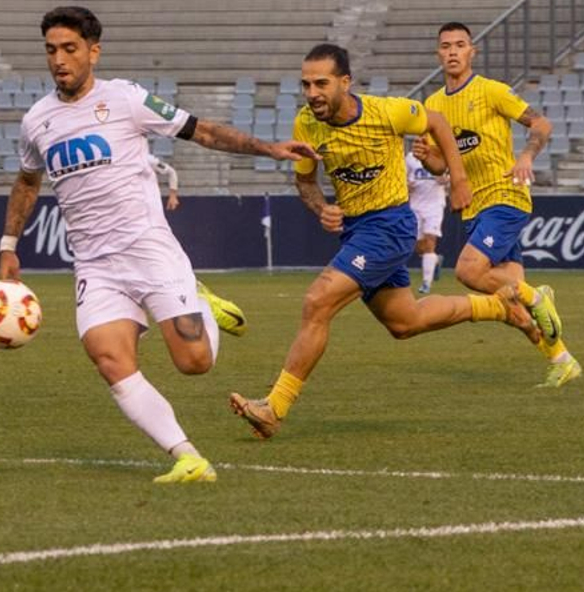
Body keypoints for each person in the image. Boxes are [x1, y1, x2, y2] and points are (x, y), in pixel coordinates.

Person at [0, 6, 302, 484]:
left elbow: (201, 130)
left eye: (70, 49)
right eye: (51, 50)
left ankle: (200, 299)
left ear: (94, 52)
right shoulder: (37, 120)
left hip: (148, 250)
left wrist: (268, 149)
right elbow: (27, 181)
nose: (59, 59)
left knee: (194, 363)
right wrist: (8, 243)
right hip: (95, 265)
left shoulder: (126, 98)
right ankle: (187, 457)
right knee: (109, 359)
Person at [227, 44, 543, 440]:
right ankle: (497, 307)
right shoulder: (306, 123)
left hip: (389, 226)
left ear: (345, 82)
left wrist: (459, 179)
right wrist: (321, 207)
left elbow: (437, 121)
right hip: (357, 230)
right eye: (306, 85)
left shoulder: (387, 112)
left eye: (321, 83)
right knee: (404, 322)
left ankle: (274, 407)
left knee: (317, 302)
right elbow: (305, 181)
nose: (312, 93)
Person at [418, 21, 580, 388]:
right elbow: (443, 166)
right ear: (438, 54)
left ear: (472, 52)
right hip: (472, 206)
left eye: (460, 45)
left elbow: (541, 124)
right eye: (446, 46)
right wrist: (428, 158)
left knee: (468, 271)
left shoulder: (491, 91)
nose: (453, 51)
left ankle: (538, 295)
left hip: (505, 195)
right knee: (510, 301)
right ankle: (562, 359)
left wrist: (526, 155)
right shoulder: (433, 105)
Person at [405, 146, 448, 293]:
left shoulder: (438, 155)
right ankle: (434, 260)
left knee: (430, 242)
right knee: (419, 246)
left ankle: (426, 283)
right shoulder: (410, 158)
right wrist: (408, 185)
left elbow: (447, 179)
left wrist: (443, 179)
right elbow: (403, 179)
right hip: (416, 206)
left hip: (435, 205)